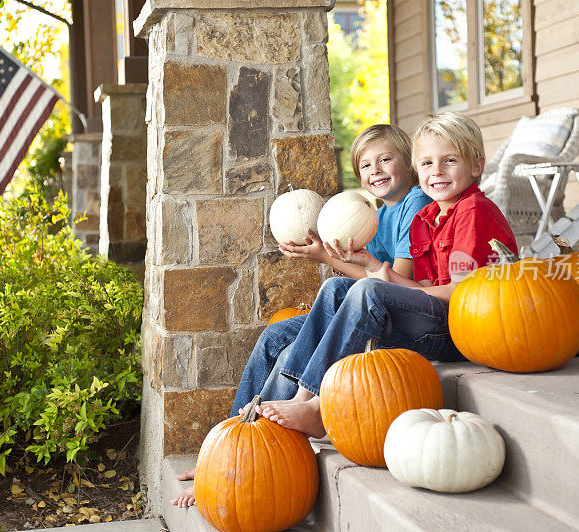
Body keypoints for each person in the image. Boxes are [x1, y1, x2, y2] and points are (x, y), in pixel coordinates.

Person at [171, 124, 432, 508]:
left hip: (398, 313)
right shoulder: (374, 213)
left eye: (385, 159)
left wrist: (328, 259)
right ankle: (226, 449)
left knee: (315, 315)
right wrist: (324, 253)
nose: (375, 170)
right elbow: (365, 275)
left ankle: (291, 418)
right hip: (372, 305)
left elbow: (391, 282)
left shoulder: (415, 204)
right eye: (365, 165)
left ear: (407, 163)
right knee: (275, 337)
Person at [253, 111, 517, 439]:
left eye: (449, 161)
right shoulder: (429, 216)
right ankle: (247, 431)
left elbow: (464, 293)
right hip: (435, 320)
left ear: (476, 166)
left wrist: (382, 282)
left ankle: (315, 406)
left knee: (367, 291)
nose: (437, 172)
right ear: (418, 168)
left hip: (463, 330)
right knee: (337, 287)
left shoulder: (472, 213)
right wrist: (375, 267)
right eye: (428, 164)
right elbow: (421, 285)